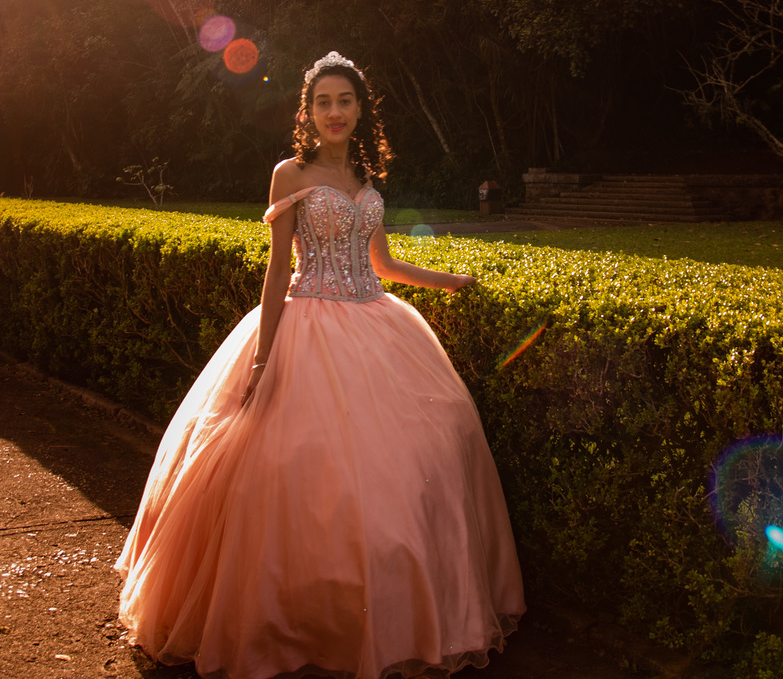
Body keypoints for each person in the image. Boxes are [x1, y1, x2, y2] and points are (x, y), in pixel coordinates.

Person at [115, 51, 525, 679]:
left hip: (378, 324)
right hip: (308, 322)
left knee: (423, 451)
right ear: (308, 112)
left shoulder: (366, 181)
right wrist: (262, 354)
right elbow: (279, 269)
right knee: (287, 469)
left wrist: (446, 278)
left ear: (361, 111)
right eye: (323, 102)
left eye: (345, 101)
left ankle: (397, 614)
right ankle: (291, 621)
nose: (335, 112)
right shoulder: (290, 173)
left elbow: (383, 265)